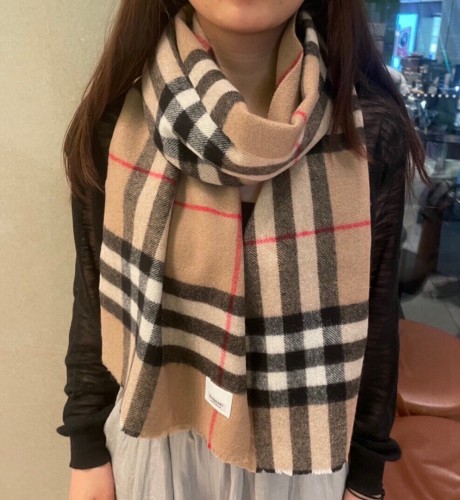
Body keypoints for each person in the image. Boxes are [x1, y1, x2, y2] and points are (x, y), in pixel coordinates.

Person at [57, 1, 425, 499]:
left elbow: (377, 321)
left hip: (304, 456)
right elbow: (93, 301)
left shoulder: (367, 130)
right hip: (155, 439)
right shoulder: (120, 120)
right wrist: (86, 450)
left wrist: (366, 477)